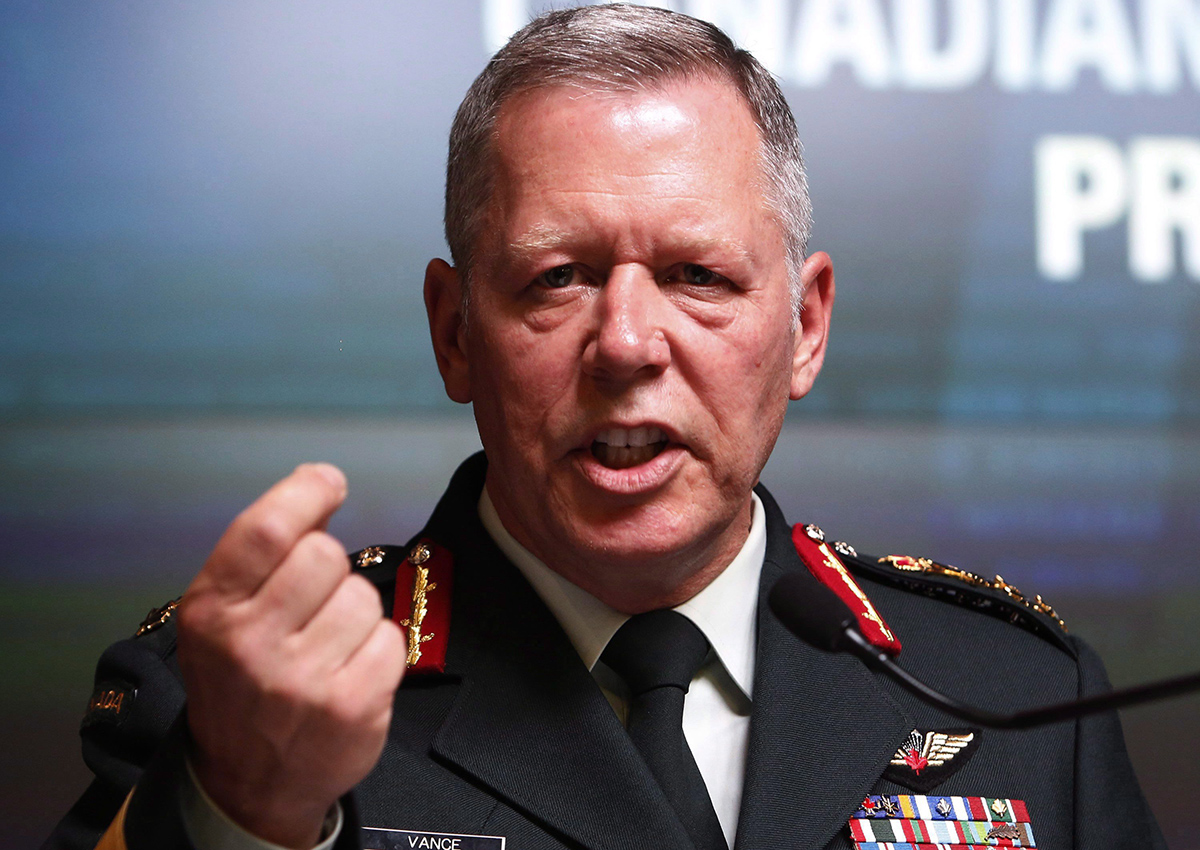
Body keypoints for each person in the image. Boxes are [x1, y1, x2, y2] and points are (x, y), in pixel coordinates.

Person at [46, 6, 1165, 850]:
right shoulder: (241, 711)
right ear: (453, 333)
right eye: (559, 278)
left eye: (697, 274)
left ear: (808, 327)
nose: (628, 341)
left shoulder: (1027, 701)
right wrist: (242, 811)